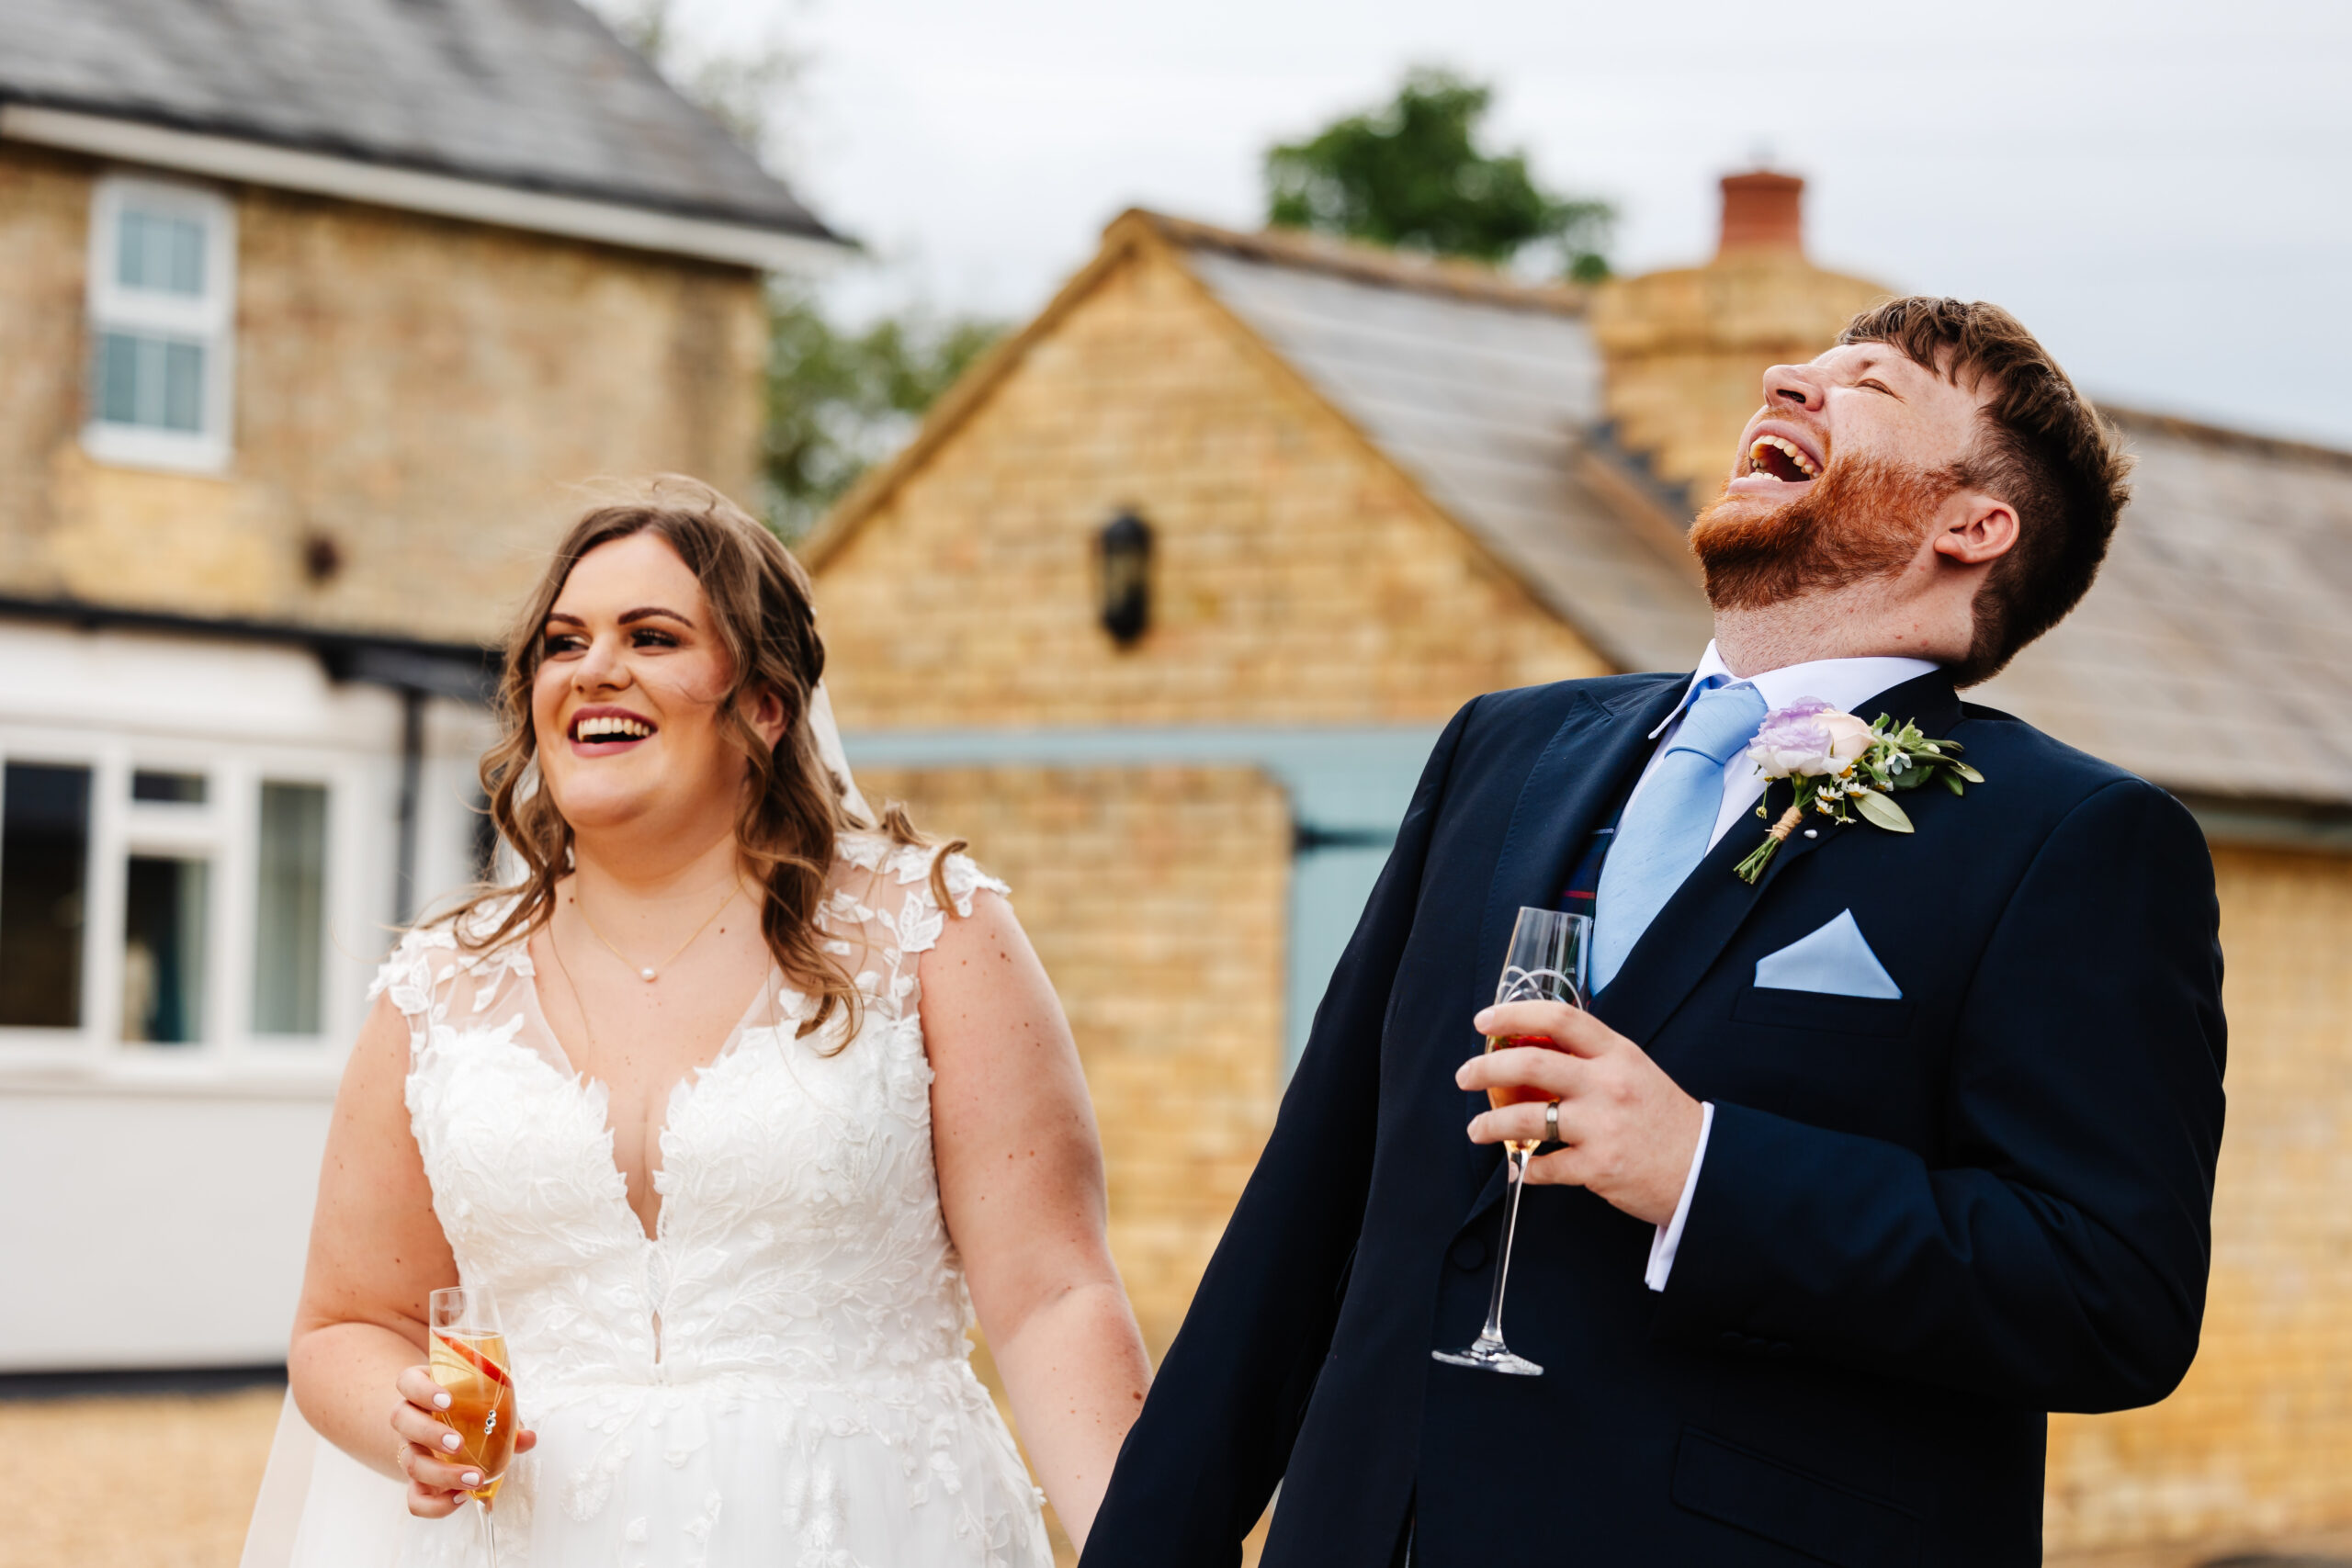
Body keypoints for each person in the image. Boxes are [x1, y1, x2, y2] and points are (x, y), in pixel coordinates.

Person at [1081, 299, 2227, 1567]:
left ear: (1971, 524)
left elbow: (2111, 1295)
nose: (1790, 375)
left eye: (1871, 386)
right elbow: (1307, 1202)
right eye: (1805, 360)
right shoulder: (1501, 751)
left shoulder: (2075, 839)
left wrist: (1701, 1170)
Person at [245, 479, 1151, 1567]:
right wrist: (406, 1419)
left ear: (764, 704)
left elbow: (1053, 1296)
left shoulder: (929, 933)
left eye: (653, 636)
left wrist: (1146, 1543)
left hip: (868, 1529)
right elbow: (348, 1321)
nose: (594, 669)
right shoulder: (441, 985)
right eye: (563, 642)